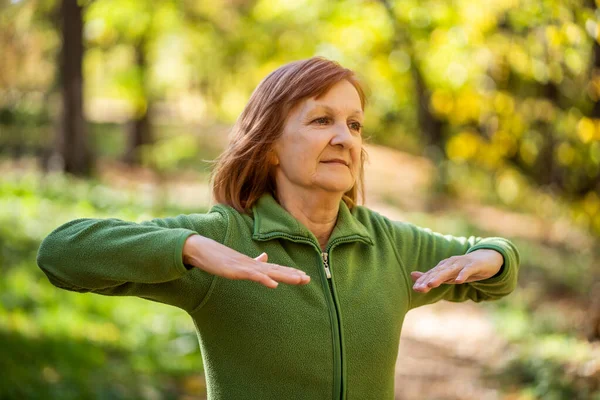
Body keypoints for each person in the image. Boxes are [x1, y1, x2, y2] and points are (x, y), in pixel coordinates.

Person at [37, 56, 520, 400]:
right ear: (269, 145)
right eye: (321, 119)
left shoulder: (386, 243)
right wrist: (188, 248)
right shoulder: (226, 237)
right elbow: (60, 252)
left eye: (354, 124)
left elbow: (497, 263)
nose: (343, 138)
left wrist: (490, 257)